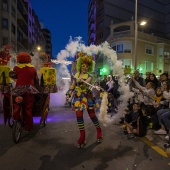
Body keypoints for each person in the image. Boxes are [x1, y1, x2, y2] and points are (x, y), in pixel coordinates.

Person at [66, 52, 102, 148]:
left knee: (92, 116)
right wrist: (68, 94)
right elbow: (72, 86)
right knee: (79, 117)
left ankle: (99, 131)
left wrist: (83, 82)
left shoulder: (90, 76)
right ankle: (82, 137)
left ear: (88, 67)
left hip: (87, 97)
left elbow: (87, 83)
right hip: (78, 98)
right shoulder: (76, 75)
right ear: (80, 65)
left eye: (86, 66)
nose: (84, 67)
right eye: (83, 65)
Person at [9, 52, 39, 131]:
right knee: (28, 109)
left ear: (19, 59)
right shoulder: (33, 68)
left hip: (18, 90)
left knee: (17, 104)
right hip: (29, 90)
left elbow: (13, 76)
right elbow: (36, 80)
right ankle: (29, 127)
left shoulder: (16, 68)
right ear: (29, 59)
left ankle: (15, 117)